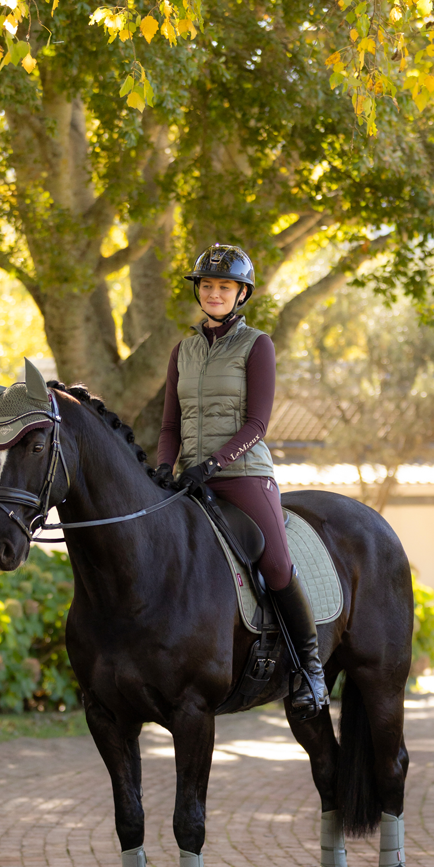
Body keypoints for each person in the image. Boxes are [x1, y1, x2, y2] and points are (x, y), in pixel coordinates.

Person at [154, 242, 328, 721]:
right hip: (188, 478)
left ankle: (310, 670)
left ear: (241, 293)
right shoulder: (183, 351)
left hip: (243, 475)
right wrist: (162, 468)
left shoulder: (258, 346)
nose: (213, 293)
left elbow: (257, 424)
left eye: (223, 286)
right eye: (206, 285)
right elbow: (170, 425)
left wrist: (212, 464)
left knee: (274, 562)